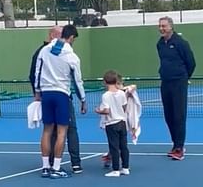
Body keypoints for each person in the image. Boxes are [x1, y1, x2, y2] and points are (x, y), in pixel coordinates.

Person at [29, 26, 85, 174]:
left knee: (47, 131)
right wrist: (83, 100)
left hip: (46, 94)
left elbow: (37, 72)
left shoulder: (44, 50)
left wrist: (37, 92)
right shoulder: (72, 57)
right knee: (62, 132)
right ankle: (57, 167)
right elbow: (77, 81)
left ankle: (45, 167)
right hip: (61, 95)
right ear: (71, 37)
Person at [157, 16, 196, 160]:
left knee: (179, 116)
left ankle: (179, 148)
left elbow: (191, 62)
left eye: (164, 26)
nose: (161, 28)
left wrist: (185, 78)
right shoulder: (160, 44)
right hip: (165, 83)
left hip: (179, 83)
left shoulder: (181, 43)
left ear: (171, 27)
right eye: (160, 26)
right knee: (169, 116)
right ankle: (176, 144)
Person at [95, 70, 130, 177]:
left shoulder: (106, 95)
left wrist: (98, 111)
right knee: (124, 146)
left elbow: (106, 111)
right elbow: (124, 107)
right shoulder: (121, 93)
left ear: (105, 82)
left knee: (114, 147)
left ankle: (115, 170)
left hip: (111, 124)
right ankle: (125, 168)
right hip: (122, 123)